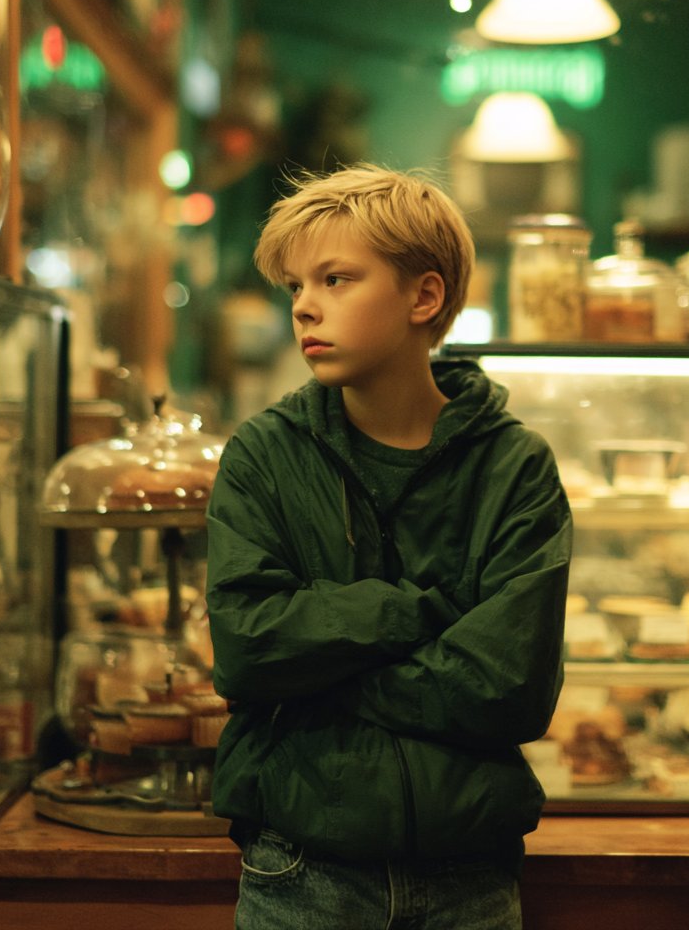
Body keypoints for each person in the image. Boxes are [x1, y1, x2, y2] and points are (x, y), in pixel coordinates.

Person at [205, 163, 572, 929]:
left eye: (336, 279)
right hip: (300, 875)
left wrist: (319, 680)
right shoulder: (263, 456)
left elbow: (510, 689)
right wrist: (423, 614)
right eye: (296, 286)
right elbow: (245, 650)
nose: (304, 305)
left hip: (470, 882)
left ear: (424, 297)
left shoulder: (513, 466)